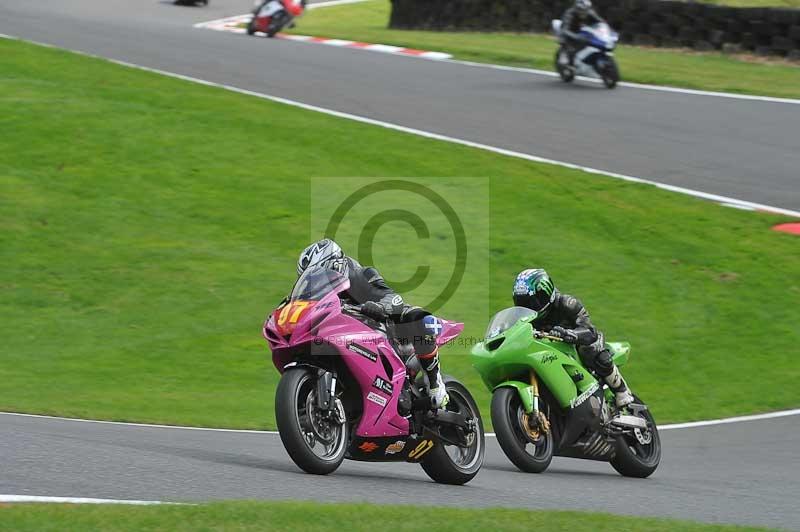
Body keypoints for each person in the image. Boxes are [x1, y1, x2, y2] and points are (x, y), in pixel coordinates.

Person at [296, 239, 449, 408]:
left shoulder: (362, 274)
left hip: (384, 328)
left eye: (320, 275)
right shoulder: (318, 294)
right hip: (341, 337)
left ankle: (435, 383)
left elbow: (393, 297)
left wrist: (379, 307)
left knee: (418, 318)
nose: (316, 282)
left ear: (337, 265)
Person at [512, 268, 634, 408]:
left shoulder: (567, 303)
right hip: (549, 352)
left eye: (533, 302)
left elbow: (590, 331)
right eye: (523, 304)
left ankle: (622, 392)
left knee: (589, 349)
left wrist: (569, 334)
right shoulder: (525, 318)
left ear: (546, 293)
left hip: (578, 344)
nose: (529, 307)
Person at [559, 0, 606, 69]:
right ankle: (563, 54)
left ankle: (589, 59)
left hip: (580, 31)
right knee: (567, 43)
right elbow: (565, 30)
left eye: (586, 9)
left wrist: (603, 26)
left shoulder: (589, 12)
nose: (583, 12)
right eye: (581, 10)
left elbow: (600, 21)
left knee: (590, 40)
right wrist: (575, 36)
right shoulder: (569, 14)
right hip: (568, 31)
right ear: (576, 8)